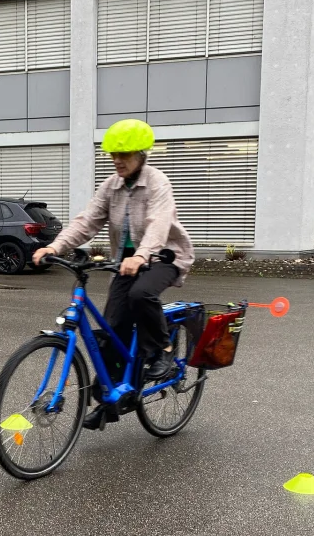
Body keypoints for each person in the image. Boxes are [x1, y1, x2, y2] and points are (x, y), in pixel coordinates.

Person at [32, 119, 195, 430]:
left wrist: (142, 255)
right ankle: (110, 403)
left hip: (164, 255)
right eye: (113, 155)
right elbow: (87, 221)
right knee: (112, 330)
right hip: (125, 262)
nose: (118, 161)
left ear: (141, 154)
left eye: (125, 155)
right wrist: (54, 247)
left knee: (141, 294)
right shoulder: (111, 186)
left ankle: (163, 349)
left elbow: (159, 224)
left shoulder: (157, 183)